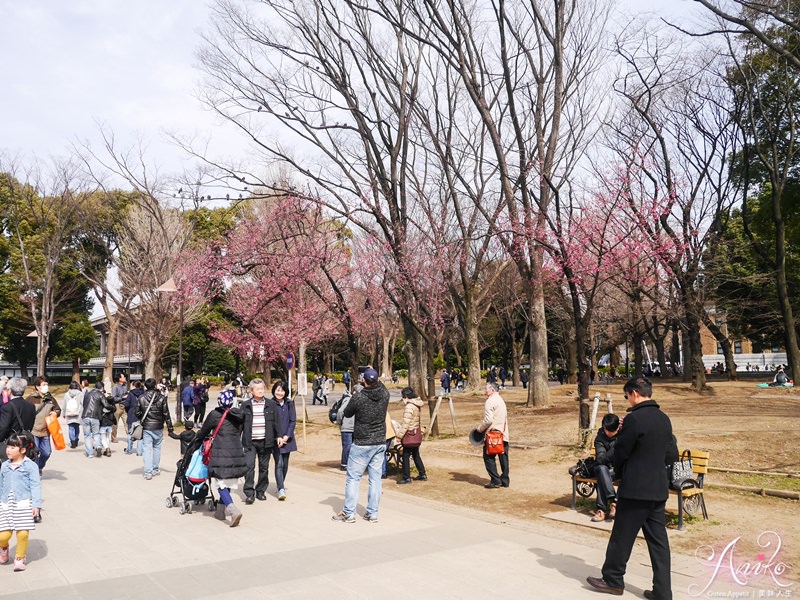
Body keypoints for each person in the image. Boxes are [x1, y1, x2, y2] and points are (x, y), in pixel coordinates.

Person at [586, 377, 679, 600]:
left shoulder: (634, 419)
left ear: (635, 394)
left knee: (621, 537)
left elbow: (621, 452)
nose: (627, 399)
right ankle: (663, 591)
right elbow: (671, 454)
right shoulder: (664, 419)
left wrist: (618, 471)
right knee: (659, 544)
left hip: (636, 488)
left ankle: (613, 580)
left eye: (627, 395)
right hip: (657, 489)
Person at [332, 368, 390, 523]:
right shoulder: (385, 394)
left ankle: (349, 513)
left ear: (364, 381)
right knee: (375, 479)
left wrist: (356, 393)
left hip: (362, 442)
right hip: (379, 441)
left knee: (353, 478)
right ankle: (373, 513)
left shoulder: (359, 397)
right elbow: (381, 385)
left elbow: (348, 413)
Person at [190, 389, 247, 527]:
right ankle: (220, 512)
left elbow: (204, 431)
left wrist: (196, 438)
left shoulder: (215, 415)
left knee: (221, 483)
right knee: (228, 481)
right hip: (236, 452)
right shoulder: (238, 415)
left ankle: (233, 510)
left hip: (221, 452)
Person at [0, 432, 41, 572]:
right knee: (3, 535)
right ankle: (4, 548)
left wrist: (36, 504)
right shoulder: (4, 465)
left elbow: (35, 485)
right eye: (8, 447)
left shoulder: (30, 466)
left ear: (23, 450)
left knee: (23, 533)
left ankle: (19, 557)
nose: (8, 450)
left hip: (23, 503)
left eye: (12, 447)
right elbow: (1, 483)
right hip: (6, 504)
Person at [240, 378, 280, 504]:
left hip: (266, 441)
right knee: (249, 467)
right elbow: (240, 424)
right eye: (257, 389)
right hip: (250, 442)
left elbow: (276, 422)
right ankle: (249, 493)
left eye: (262, 388)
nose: (260, 391)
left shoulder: (271, 404)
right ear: (252, 391)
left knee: (264, 468)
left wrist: (279, 436)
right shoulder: (245, 405)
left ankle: (261, 491)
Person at [135, 378, 175, 480]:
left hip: (147, 427)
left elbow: (137, 412)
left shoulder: (141, 398)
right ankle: (155, 468)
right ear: (155, 386)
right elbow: (166, 413)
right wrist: (170, 428)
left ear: (146, 386)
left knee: (147, 449)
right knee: (157, 447)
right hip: (158, 426)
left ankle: (148, 472)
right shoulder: (161, 398)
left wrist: (142, 415)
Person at [25, 376, 60, 475]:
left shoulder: (50, 398)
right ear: (37, 386)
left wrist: (55, 413)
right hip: (34, 430)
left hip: (45, 431)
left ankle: (39, 466)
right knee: (34, 453)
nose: (46, 386)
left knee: (46, 452)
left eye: (47, 384)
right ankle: (35, 471)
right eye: (44, 385)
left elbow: (57, 409)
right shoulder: (31, 398)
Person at [477, 382, 509, 489]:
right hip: (503, 433)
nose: (485, 391)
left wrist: (480, 429)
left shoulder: (490, 401)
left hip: (493, 434)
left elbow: (488, 420)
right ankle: (505, 479)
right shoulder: (501, 400)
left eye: (486, 389)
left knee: (488, 457)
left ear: (492, 390)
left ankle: (495, 480)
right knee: (503, 457)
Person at [590, 413, 621, 522]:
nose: (608, 433)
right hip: (605, 468)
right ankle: (613, 501)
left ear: (618, 428)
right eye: (606, 430)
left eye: (612, 431)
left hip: (620, 469)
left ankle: (601, 510)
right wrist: (616, 450)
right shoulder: (600, 437)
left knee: (602, 475)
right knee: (602, 470)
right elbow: (601, 458)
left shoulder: (625, 434)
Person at [394, 387, 427, 485]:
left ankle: (406, 477)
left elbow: (405, 424)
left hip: (409, 434)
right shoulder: (417, 404)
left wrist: (399, 436)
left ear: (406, 396)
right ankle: (422, 474)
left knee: (405, 455)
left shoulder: (409, 406)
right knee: (416, 455)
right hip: (416, 433)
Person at [272, 381, 296, 501]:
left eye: (282, 390)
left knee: (285, 464)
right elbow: (271, 422)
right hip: (276, 439)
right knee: (279, 463)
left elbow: (292, 420)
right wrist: (278, 436)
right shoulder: (270, 403)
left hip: (288, 438)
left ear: (285, 392)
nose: (279, 393)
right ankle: (281, 488)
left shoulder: (289, 403)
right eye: (277, 390)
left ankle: (280, 484)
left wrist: (287, 435)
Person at [0, 379, 36, 455]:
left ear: (9, 390)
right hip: (24, 442)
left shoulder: (7, 407)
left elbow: (3, 428)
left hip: (11, 443)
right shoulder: (31, 406)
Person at [81, 382, 105, 458]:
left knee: (87, 435)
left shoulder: (87, 394)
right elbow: (106, 404)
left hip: (85, 415)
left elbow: (84, 404)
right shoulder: (100, 394)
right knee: (96, 433)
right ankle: (98, 446)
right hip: (95, 416)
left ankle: (90, 453)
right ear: (102, 388)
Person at [124, 381, 145, 456]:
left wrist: (128, 411)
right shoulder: (144, 393)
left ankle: (129, 450)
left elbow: (126, 404)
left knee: (130, 432)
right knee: (140, 433)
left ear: (133, 385)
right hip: (141, 415)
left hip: (132, 414)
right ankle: (139, 452)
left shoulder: (131, 393)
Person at [336, 391, 355, 471]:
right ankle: (344, 464)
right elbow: (340, 411)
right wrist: (340, 422)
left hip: (355, 427)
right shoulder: (348, 400)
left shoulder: (359, 400)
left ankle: (351, 464)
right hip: (347, 427)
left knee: (353, 447)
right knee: (347, 446)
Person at [62, 382, 84, 449]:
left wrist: (63, 413)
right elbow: (83, 404)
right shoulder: (80, 394)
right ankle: (76, 439)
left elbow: (64, 405)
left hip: (69, 413)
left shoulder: (66, 394)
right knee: (77, 427)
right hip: (78, 413)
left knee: (71, 428)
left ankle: (72, 441)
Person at [98, 388, 117, 457]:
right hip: (110, 424)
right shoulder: (113, 408)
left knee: (102, 438)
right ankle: (106, 450)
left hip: (103, 423)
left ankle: (107, 448)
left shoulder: (102, 407)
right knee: (107, 437)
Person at [110, 373, 128, 443]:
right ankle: (113, 437)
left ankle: (130, 436)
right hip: (117, 406)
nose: (125, 377)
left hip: (124, 406)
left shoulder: (125, 385)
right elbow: (113, 398)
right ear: (120, 379)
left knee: (127, 422)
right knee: (115, 423)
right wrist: (122, 398)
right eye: (123, 377)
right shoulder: (115, 387)